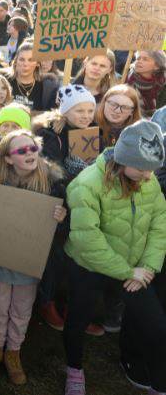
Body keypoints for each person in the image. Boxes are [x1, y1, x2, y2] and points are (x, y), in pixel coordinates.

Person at [62, 121, 166, 395]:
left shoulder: (148, 178)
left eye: (152, 169)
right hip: (89, 268)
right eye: (143, 169)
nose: (148, 176)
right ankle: (74, 369)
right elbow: (87, 240)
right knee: (78, 320)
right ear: (123, 160)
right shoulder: (86, 184)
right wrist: (127, 272)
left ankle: (158, 380)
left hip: (134, 269)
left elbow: (159, 223)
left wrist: (148, 266)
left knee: (156, 325)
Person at [0, 130, 67, 385]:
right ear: (7, 159)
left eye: (33, 148)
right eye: (22, 151)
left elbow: (59, 234)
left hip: (28, 264)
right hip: (1, 261)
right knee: (0, 307)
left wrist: (60, 219)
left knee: (22, 310)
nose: (30, 154)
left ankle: (13, 352)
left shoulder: (52, 184)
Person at [33, 84, 96, 178]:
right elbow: (50, 169)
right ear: (65, 112)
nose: (86, 116)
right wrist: (70, 171)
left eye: (90, 111)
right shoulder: (49, 134)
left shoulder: (93, 132)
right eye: (80, 111)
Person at [5, 43, 60, 112]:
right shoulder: (4, 81)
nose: (25, 64)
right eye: (22, 59)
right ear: (16, 61)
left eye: (30, 60)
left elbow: (50, 115)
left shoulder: (47, 87)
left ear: (37, 63)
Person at [125, 50, 166, 116]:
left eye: (145, 59)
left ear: (157, 66)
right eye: (138, 58)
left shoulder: (163, 84)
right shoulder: (128, 78)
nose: (139, 61)